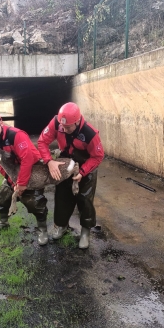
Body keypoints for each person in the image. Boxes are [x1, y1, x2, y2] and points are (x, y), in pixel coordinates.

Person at [37, 102, 104, 249]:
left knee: (85, 198)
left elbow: (98, 156)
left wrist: (83, 172)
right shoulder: (56, 123)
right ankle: (61, 226)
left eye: (68, 127)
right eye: (62, 126)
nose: (64, 129)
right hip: (65, 162)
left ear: (78, 121)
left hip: (85, 164)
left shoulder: (90, 133)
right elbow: (42, 141)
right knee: (62, 195)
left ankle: (85, 231)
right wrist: (49, 161)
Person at [0, 110, 49, 245]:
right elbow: (0, 164)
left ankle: (42, 230)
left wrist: (22, 184)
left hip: (32, 170)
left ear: (1, 122)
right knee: (1, 197)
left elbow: (27, 159)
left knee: (35, 202)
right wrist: (12, 182)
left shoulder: (16, 135)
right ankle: (3, 222)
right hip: (14, 173)